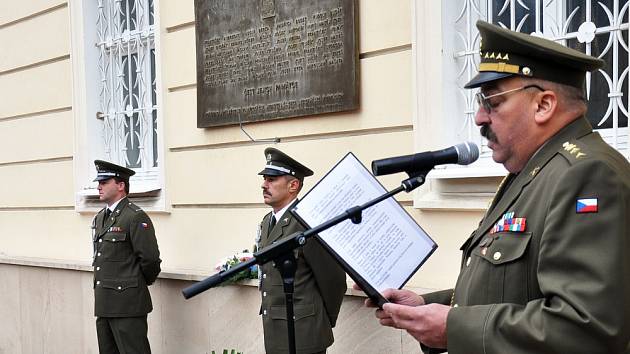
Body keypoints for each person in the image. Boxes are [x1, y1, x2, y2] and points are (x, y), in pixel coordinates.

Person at [359, 21, 630, 353]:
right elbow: (514, 289)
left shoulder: (586, 174)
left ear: (544, 105)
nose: (479, 118)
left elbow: (585, 328)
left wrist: (452, 328)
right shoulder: (533, 170)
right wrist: (427, 308)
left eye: (492, 102)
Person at [256, 147, 347, 354]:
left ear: (293, 185)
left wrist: (321, 320)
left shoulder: (307, 223)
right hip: (275, 330)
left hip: (304, 333)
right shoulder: (267, 222)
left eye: (271, 179)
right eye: (264, 179)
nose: (264, 184)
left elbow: (333, 279)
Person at [91, 160, 162, 354]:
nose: (99, 186)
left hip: (128, 305)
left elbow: (150, 260)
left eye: (104, 182)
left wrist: (135, 285)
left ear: (121, 185)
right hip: (105, 303)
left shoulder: (135, 217)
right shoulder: (99, 218)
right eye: (99, 182)